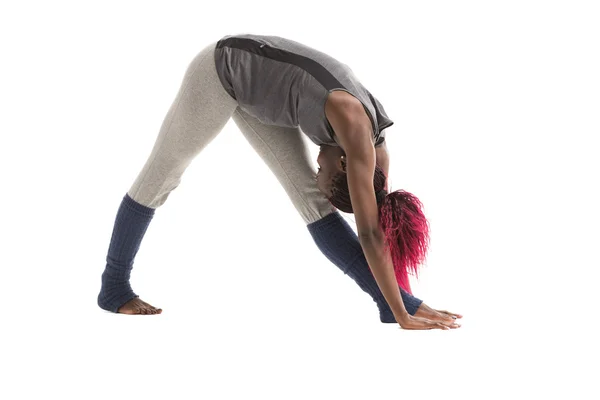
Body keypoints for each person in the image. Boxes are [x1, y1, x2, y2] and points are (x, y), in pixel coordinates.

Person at [97, 33, 462, 330]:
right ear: (345, 162)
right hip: (223, 69)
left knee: (312, 201)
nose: (317, 169)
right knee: (164, 172)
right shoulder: (351, 126)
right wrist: (403, 316)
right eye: (324, 172)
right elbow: (368, 235)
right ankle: (113, 286)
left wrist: (403, 302)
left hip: (266, 97)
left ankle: (384, 300)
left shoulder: (374, 162)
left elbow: (379, 227)